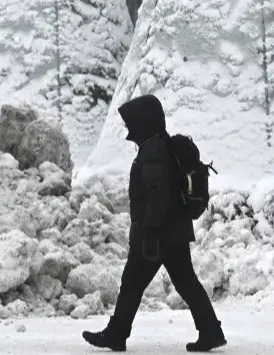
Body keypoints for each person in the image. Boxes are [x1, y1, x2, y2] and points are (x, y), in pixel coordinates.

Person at [82, 94, 226, 353]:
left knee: (132, 282)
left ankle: (116, 334)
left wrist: (149, 229)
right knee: (184, 281)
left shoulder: (152, 151)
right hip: (174, 230)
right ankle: (211, 331)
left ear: (144, 121)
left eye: (131, 122)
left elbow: (157, 194)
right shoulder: (162, 146)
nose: (128, 127)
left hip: (157, 232)